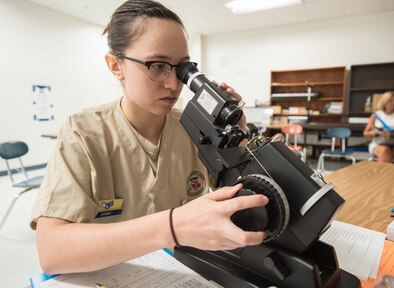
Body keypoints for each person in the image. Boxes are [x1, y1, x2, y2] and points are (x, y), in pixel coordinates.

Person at [30, 0, 268, 275]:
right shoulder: (82, 133)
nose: (173, 84)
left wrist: (237, 141)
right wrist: (173, 227)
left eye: (181, 69)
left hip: (182, 272)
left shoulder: (194, 129)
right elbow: (52, 252)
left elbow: (248, 198)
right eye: (157, 65)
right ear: (116, 66)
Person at [363, 91, 394, 164]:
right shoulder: (376, 115)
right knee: (384, 151)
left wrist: (392, 135)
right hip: (379, 143)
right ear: (384, 102)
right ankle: (384, 174)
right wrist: (374, 133)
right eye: (390, 100)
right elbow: (365, 133)